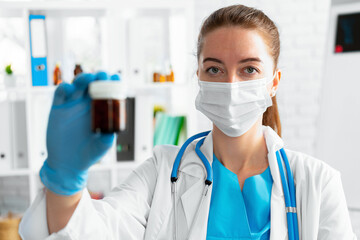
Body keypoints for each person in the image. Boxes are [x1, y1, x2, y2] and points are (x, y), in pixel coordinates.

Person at [19, 4, 357, 240]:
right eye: (214, 69)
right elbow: (92, 231)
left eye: (249, 69)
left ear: (274, 80)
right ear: (198, 75)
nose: (231, 84)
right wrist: (64, 181)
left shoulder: (316, 183)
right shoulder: (161, 172)